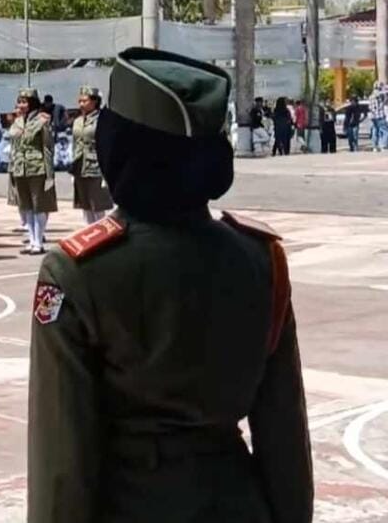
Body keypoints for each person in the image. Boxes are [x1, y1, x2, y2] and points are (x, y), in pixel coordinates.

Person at [27, 47, 312, 523]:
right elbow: (285, 442)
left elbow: (61, 465)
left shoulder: (78, 272)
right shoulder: (260, 260)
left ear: (120, 149)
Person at [9, 87, 56, 255]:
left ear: (32, 103)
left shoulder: (42, 121)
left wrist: (49, 174)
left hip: (37, 168)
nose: (21, 105)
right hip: (20, 168)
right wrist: (12, 168)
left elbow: (47, 148)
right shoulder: (17, 122)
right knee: (26, 206)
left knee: (39, 206)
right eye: (19, 102)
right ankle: (31, 239)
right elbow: (14, 147)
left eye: (24, 102)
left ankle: (39, 241)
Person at [71, 86, 113, 225]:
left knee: (98, 206)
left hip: (96, 167)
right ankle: (89, 232)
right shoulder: (77, 121)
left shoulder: (102, 120)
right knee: (85, 205)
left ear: (95, 101)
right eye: (80, 101)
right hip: (80, 167)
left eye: (85, 101)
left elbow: (107, 147)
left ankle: (100, 232)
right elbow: (75, 144)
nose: (81, 104)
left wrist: (106, 173)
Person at [370, 81, 388, 151]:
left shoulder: (371, 96)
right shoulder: (379, 94)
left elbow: (370, 107)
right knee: (385, 131)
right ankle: (383, 146)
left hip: (373, 117)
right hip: (380, 116)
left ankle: (374, 146)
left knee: (375, 131)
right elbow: (384, 94)